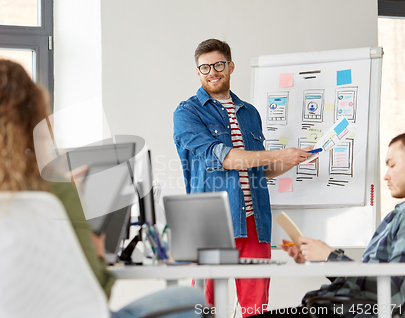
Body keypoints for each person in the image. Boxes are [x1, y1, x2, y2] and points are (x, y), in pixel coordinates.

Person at [0, 59, 206, 317]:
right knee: (191, 300)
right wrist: (99, 250)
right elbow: (97, 286)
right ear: (32, 119)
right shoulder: (54, 192)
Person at [173, 38, 310, 315]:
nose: (212, 72)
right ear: (197, 72)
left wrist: (294, 160)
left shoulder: (250, 114)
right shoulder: (187, 113)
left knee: (256, 307)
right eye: (204, 67)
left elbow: (260, 169)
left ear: (231, 66)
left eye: (219, 64)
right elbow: (227, 158)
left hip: (254, 220)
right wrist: (278, 154)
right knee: (205, 305)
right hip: (213, 221)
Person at [250, 132, 405, 317]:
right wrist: (322, 259)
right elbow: (367, 286)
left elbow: (393, 294)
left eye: (392, 165)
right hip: (334, 306)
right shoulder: (395, 216)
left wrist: (330, 257)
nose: (386, 176)